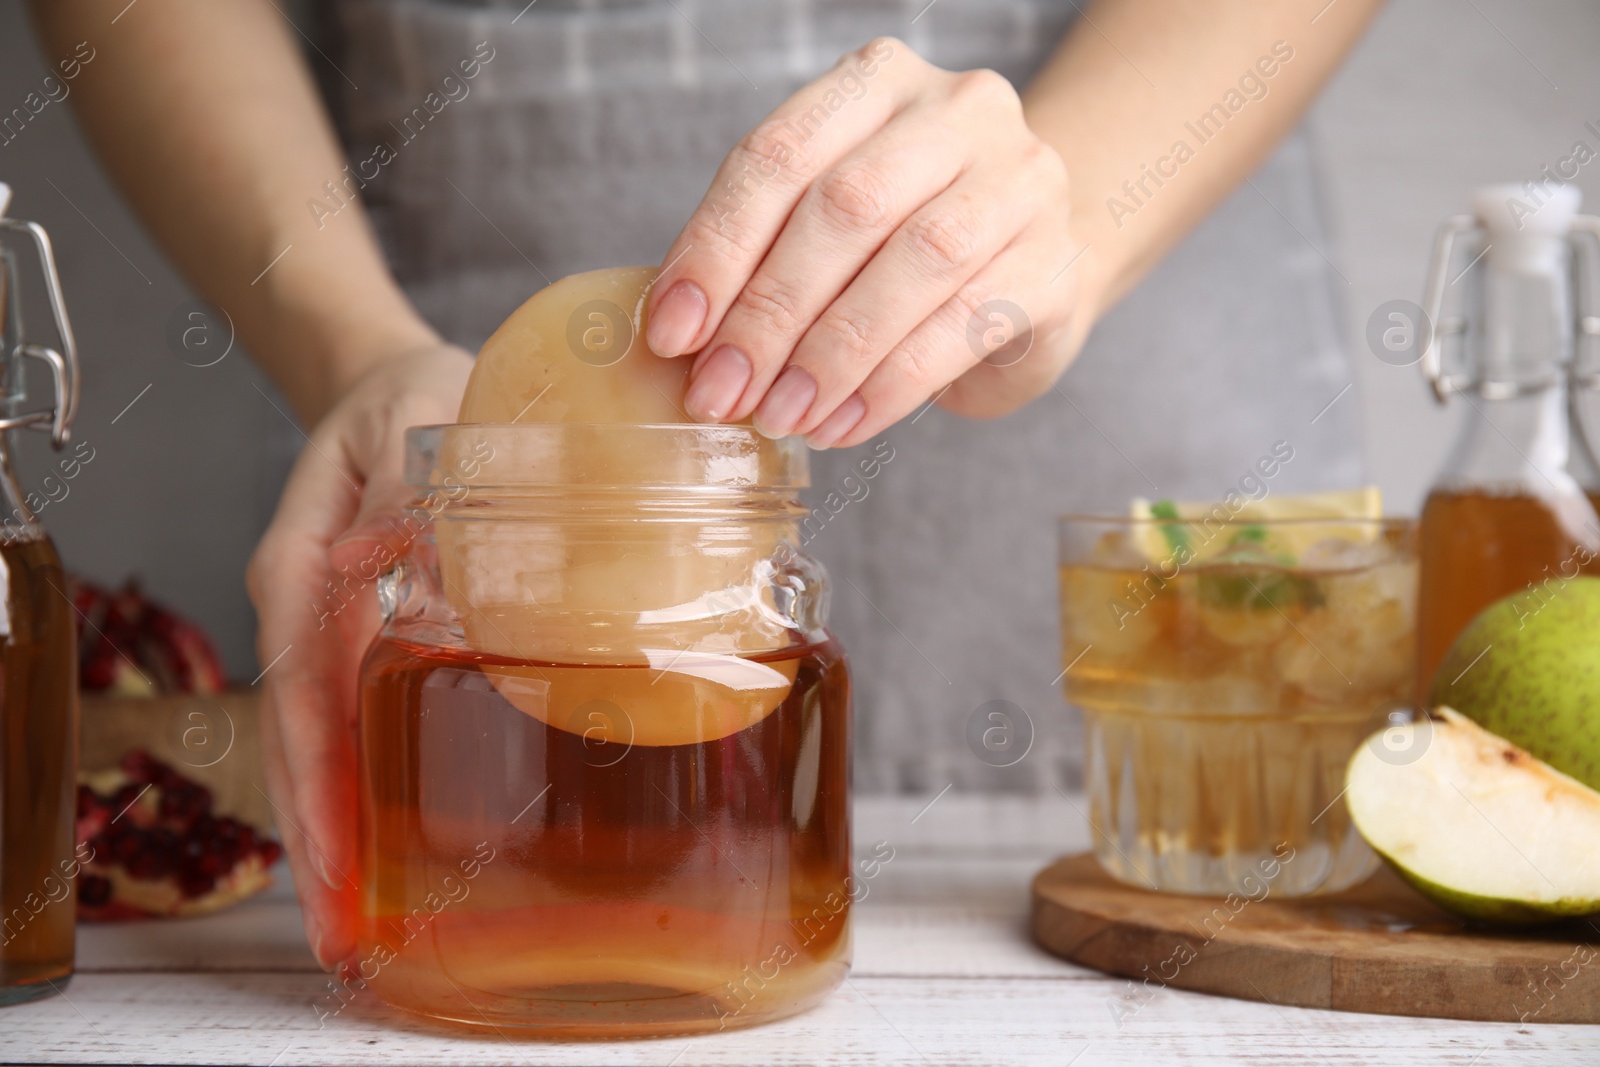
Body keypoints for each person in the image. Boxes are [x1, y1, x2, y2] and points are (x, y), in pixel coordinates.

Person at [31, 0, 1382, 971]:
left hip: (1130, 370)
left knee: (1215, 831)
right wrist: (355, 346)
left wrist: (1072, 205)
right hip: (451, 428)